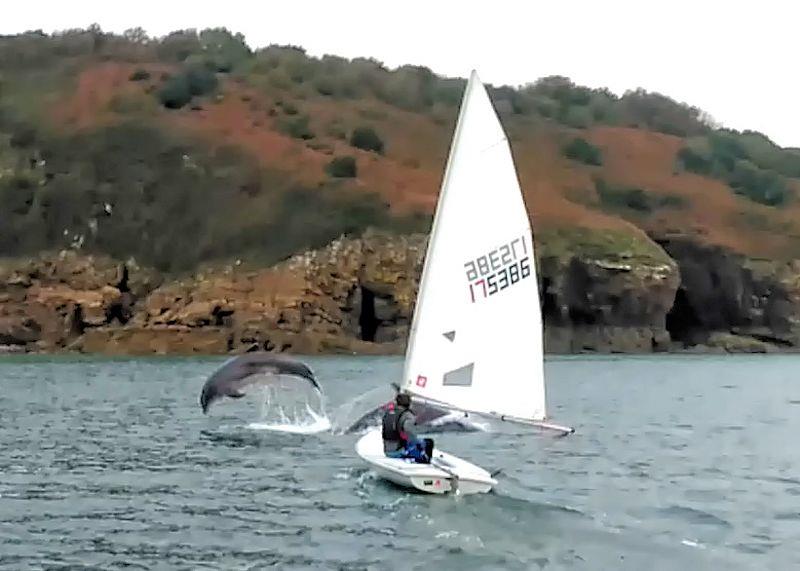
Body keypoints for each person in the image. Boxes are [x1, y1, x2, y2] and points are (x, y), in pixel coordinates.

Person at [381, 392, 433, 463]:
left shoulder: (388, 413)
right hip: (399, 452)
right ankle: (425, 460)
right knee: (428, 442)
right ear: (409, 403)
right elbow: (411, 433)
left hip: (387, 451)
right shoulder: (407, 415)